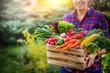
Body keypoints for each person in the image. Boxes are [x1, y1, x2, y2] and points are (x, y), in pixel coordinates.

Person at [61, 0, 109, 73]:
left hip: (91, 69)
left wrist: (94, 54)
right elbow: (63, 40)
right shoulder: (67, 17)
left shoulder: (99, 16)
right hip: (68, 68)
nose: (79, 1)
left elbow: (107, 45)